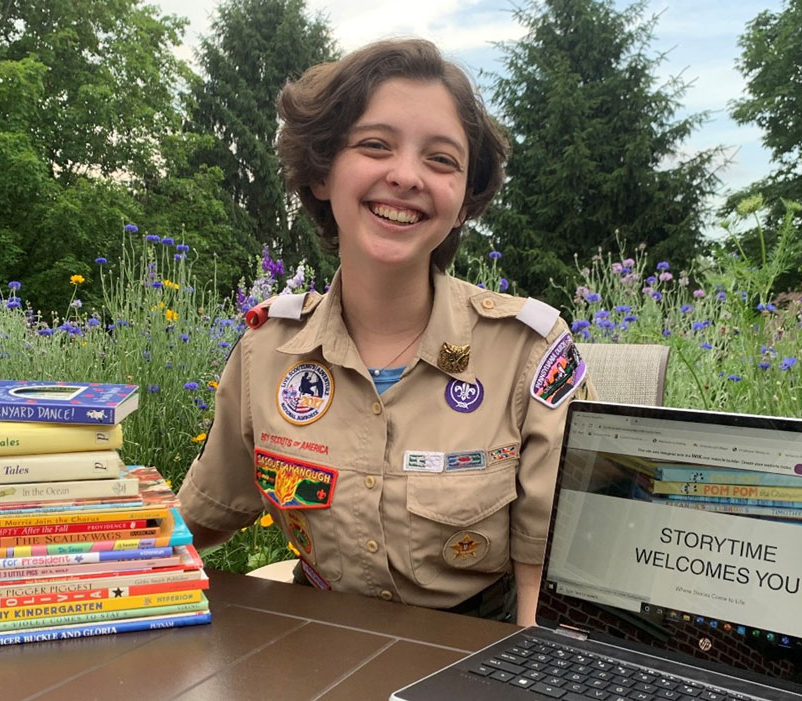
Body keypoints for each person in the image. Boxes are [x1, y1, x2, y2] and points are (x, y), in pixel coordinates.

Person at [177, 39, 591, 626]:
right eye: (375, 145)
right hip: (313, 643)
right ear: (322, 172)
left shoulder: (529, 351)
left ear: (465, 199)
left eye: (442, 160)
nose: (406, 176)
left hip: (474, 649)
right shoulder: (266, 349)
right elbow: (203, 517)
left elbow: (541, 578)